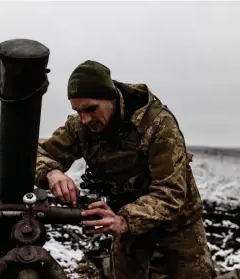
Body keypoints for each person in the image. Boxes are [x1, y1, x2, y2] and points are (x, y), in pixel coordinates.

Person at [34, 60, 216, 279]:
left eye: (91, 109)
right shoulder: (80, 127)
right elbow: (35, 154)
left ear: (111, 98)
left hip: (177, 223)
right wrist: (52, 172)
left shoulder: (158, 125)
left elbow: (171, 193)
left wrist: (125, 220)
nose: (86, 119)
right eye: (78, 111)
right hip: (124, 220)